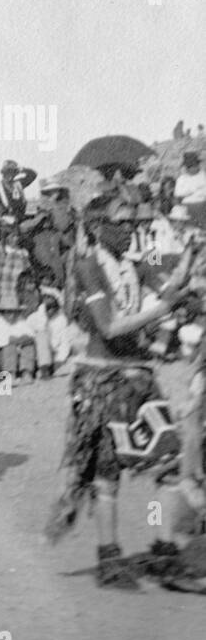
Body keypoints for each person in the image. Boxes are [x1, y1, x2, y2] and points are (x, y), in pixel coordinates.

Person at [43, 196, 206, 590]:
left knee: (168, 462)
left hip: (136, 378)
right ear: (97, 226)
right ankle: (110, 559)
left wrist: (190, 252)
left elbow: (168, 280)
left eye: (135, 222)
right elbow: (111, 327)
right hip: (103, 382)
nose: (131, 229)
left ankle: (167, 554)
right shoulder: (87, 267)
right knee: (107, 474)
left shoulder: (136, 262)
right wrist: (162, 308)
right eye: (122, 222)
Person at [23, 179, 76, 288]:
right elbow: (26, 225)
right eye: (49, 191)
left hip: (57, 240)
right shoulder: (41, 206)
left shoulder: (64, 205)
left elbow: (63, 225)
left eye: (55, 190)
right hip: (43, 241)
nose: (52, 193)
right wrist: (39, 218)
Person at [0, 216, 31, 312]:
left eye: (18, 236)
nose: (16, 239)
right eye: (13, 236)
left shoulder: (23, 252)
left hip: (15, 297)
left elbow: (26, 274)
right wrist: (15, 256)